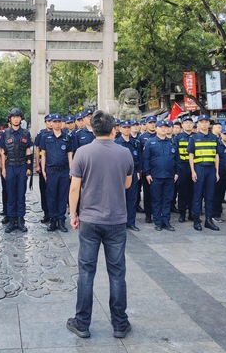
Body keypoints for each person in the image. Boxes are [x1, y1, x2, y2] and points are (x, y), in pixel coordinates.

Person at [67, 110, 133, 339]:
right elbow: (127, 184)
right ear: (113, 128)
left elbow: (75, 188)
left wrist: (73, 213)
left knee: (86, 272)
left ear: (93, 129)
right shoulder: (125, 153)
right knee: (117, 273)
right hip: (116, 220)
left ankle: (82, 323)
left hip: (89, 220)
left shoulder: (83, 153)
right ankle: (119, 323)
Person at [0, 108, 33, 233]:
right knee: (10, 194)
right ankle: (11, 221)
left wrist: (29, 167)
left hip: (22, 166)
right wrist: (3, 169)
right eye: (13, 117)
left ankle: (20, 220)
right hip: (10, 166)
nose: (16, 119)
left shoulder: (26, 133)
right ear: (10, 119)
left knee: (21, 194)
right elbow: (2, 152)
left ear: (21, 118)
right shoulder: (4, 133)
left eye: (18, 117)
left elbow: (28, 150)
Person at [39, 114, 73, 233]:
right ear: (51, 123)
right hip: (51, 170)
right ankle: (53, 219)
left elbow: (69, 154)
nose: (57, 124)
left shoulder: (67, 137)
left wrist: (71, 169)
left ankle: (61, 219)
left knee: (63, 195)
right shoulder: (45, 137)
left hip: (64, 170)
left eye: (59, 121)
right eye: (55, 122)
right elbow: (43, 154)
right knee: (51, 195)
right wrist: (43, 170)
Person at [143, 120, 179, 231]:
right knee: (156, 199)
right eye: (161, 127)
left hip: (169, 176)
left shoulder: (172, 142)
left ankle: (166, 221)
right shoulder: (150, 142)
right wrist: (147, 173)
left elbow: (177, 160)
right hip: (156, 176)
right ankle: (158, 222)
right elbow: (146, 159)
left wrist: (177, 173)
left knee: (167, 199)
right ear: (157, 129)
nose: (164, 129)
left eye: (166, 127)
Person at [187, 114, 220, 232]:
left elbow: (217, 155)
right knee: (197, 195)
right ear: (198, 124)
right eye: (202, 122)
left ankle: (208, 220)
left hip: (211, 168)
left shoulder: (214, 138)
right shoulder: (194, 138)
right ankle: (196, 220)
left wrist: (217, 171)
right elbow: (190, 155)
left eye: (206, 122)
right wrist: (193, 171)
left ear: (209, 124)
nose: (204, 124)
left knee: (210, 196)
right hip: (199, 168)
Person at [115, 120, 141, 231]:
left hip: (133, 173)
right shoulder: (116, 142)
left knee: (132, 198)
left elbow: (140, 158)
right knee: (119, 199)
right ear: (120, 129)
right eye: (124, 127)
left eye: (128, 127)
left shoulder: (135, 142)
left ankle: (131, 222)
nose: (126, 129)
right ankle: (119, 222)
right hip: (120, 174)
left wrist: (139, 171)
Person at [34, 114, 53, 224]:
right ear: (45, 122)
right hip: (44, 165)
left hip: (54, 165)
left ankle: (55, 214)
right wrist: (38, 165)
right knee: (44, 190)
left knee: (54, 191)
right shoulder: (41, 134)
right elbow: (37, 150)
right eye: (48, 121)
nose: (51, 123)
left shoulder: (60, 133)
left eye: (52, 121)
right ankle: (46, 212)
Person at [212, 126, 226, 222]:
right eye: (224, 134)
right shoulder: (216, 145)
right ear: (221, 135)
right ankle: (216, 214)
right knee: (218, 196)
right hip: (219, 175)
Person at [175, 116, 194, 222]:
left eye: (190, 123)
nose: (188, 124)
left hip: (195, 168)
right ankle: (182, 213)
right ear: (182, 125)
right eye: (186, 123)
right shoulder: (178, 137)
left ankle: (192, 213)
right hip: (182, 167)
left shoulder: (196, 136)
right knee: (182, 192)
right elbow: (176, 154)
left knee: (194, 192)